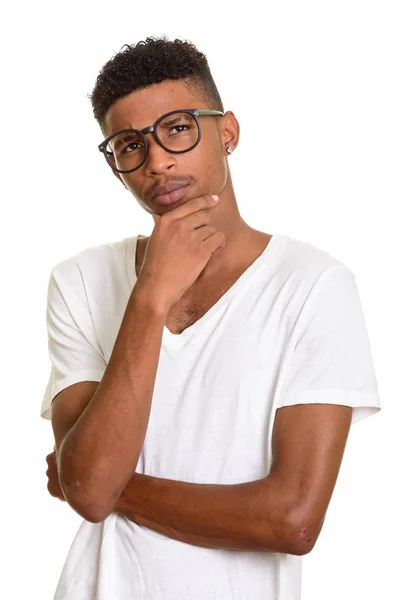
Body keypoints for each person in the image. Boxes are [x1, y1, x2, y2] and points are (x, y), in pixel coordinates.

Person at [42, 36, 381, 600]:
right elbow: (89, 488)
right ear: (116, 167)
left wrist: (105, 489)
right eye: (130, 144)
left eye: (177, 128)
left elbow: (292, 520)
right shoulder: (79, 280)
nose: (157, 162)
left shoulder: (314, 286)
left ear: (227, 132)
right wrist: (150, 296)